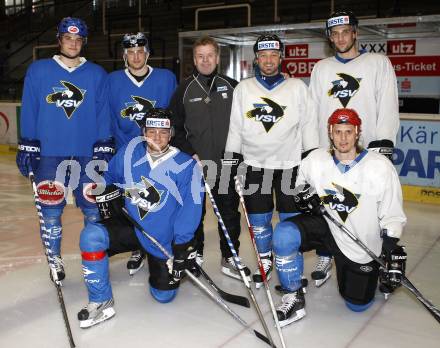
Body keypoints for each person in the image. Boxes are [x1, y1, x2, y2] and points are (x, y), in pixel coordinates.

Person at [272, 108, 407, 327]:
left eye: (348, 131)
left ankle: (378, 270)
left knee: (357, 305)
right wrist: (304, 196)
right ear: (330, 133)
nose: (343, 138)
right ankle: (293, 296)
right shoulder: (315, 159)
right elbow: (299, 184)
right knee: (283, 235)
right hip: (326, 225)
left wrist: (390, 246)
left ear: (357, 132)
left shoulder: (379, 166)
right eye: (338, 132)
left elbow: (392, 213)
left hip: (358, 242)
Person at [77, 108, 203, 328]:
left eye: (163, 132)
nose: (156, 137)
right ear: (143, 132)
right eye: (151, 131)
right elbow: (109, 176)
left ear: (171, 133)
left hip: (161, 239)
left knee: (163, 296)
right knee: (91, 236)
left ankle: (157, 263)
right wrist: (103, 188)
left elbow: (191, 210)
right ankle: (101, 300)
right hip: (132, 227)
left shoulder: (187, 166)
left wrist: (182, 245)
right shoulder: (128, 152)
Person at [16, 17, 113, 282]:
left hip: (86, 154)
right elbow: (30, 107)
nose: (73, 43)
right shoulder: (38, 70)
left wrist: (104, 143)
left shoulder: (96, 74)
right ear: (59, 40)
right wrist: (28, 142)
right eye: (68, 39)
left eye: (78, 39)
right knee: (51, 212)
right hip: (50, 153)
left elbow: (104, 111)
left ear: (83, 42)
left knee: (93, 211)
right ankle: (55, 259)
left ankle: (92, 257)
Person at [308, 10, 400, 286]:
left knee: (368, 208)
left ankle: (378, 256)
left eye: (345, 32)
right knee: (329, 203)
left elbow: (388, 103)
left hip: (366, 153)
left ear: (356, 33)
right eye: (334, 34)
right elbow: (313, 110)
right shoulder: (321, 68)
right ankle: (326, 254)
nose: (340, 38)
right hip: (330, 153)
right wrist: (313, 148)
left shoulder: (377, 63)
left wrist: (384, 141)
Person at [225, 34, 318, 288]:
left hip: (290, 166)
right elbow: (235, 126)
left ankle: (291, 262)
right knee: (259, 221)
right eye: (263, 55)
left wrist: (311, 160)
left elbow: (309, 125)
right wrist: (231, 162)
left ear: (281, 57)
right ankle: (264, 259)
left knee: (290, 221)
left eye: (273, 55)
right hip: (256, 165)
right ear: (256, 58)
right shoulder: (243, 88)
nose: (268, 60)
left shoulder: (297, 87)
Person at [169, 36, 250, 280]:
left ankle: (230, 257)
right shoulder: (184, 89)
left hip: (226, 165)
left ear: (217, 58)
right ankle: (196, 254)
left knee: (228, 212)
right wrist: (190, 153)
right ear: (194, 59)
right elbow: (174, 128)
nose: (205, 60)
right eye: (200, 56)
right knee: (194, 214)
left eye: (210, 56)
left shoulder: (233, 86)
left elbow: (246, 124)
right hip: (195, 164)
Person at [107, 32, 177, 275]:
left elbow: (175, 113)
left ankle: (163, 245)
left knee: (160, 202)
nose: (136, 56)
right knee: (135, 202)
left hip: (158, 153)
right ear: (124, 56)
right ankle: (139, 246)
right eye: (130, 52)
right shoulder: (113, 80)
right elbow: (107, 115)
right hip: (127, 155)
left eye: (140, 52)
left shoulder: (166, 78)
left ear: (147, 54)